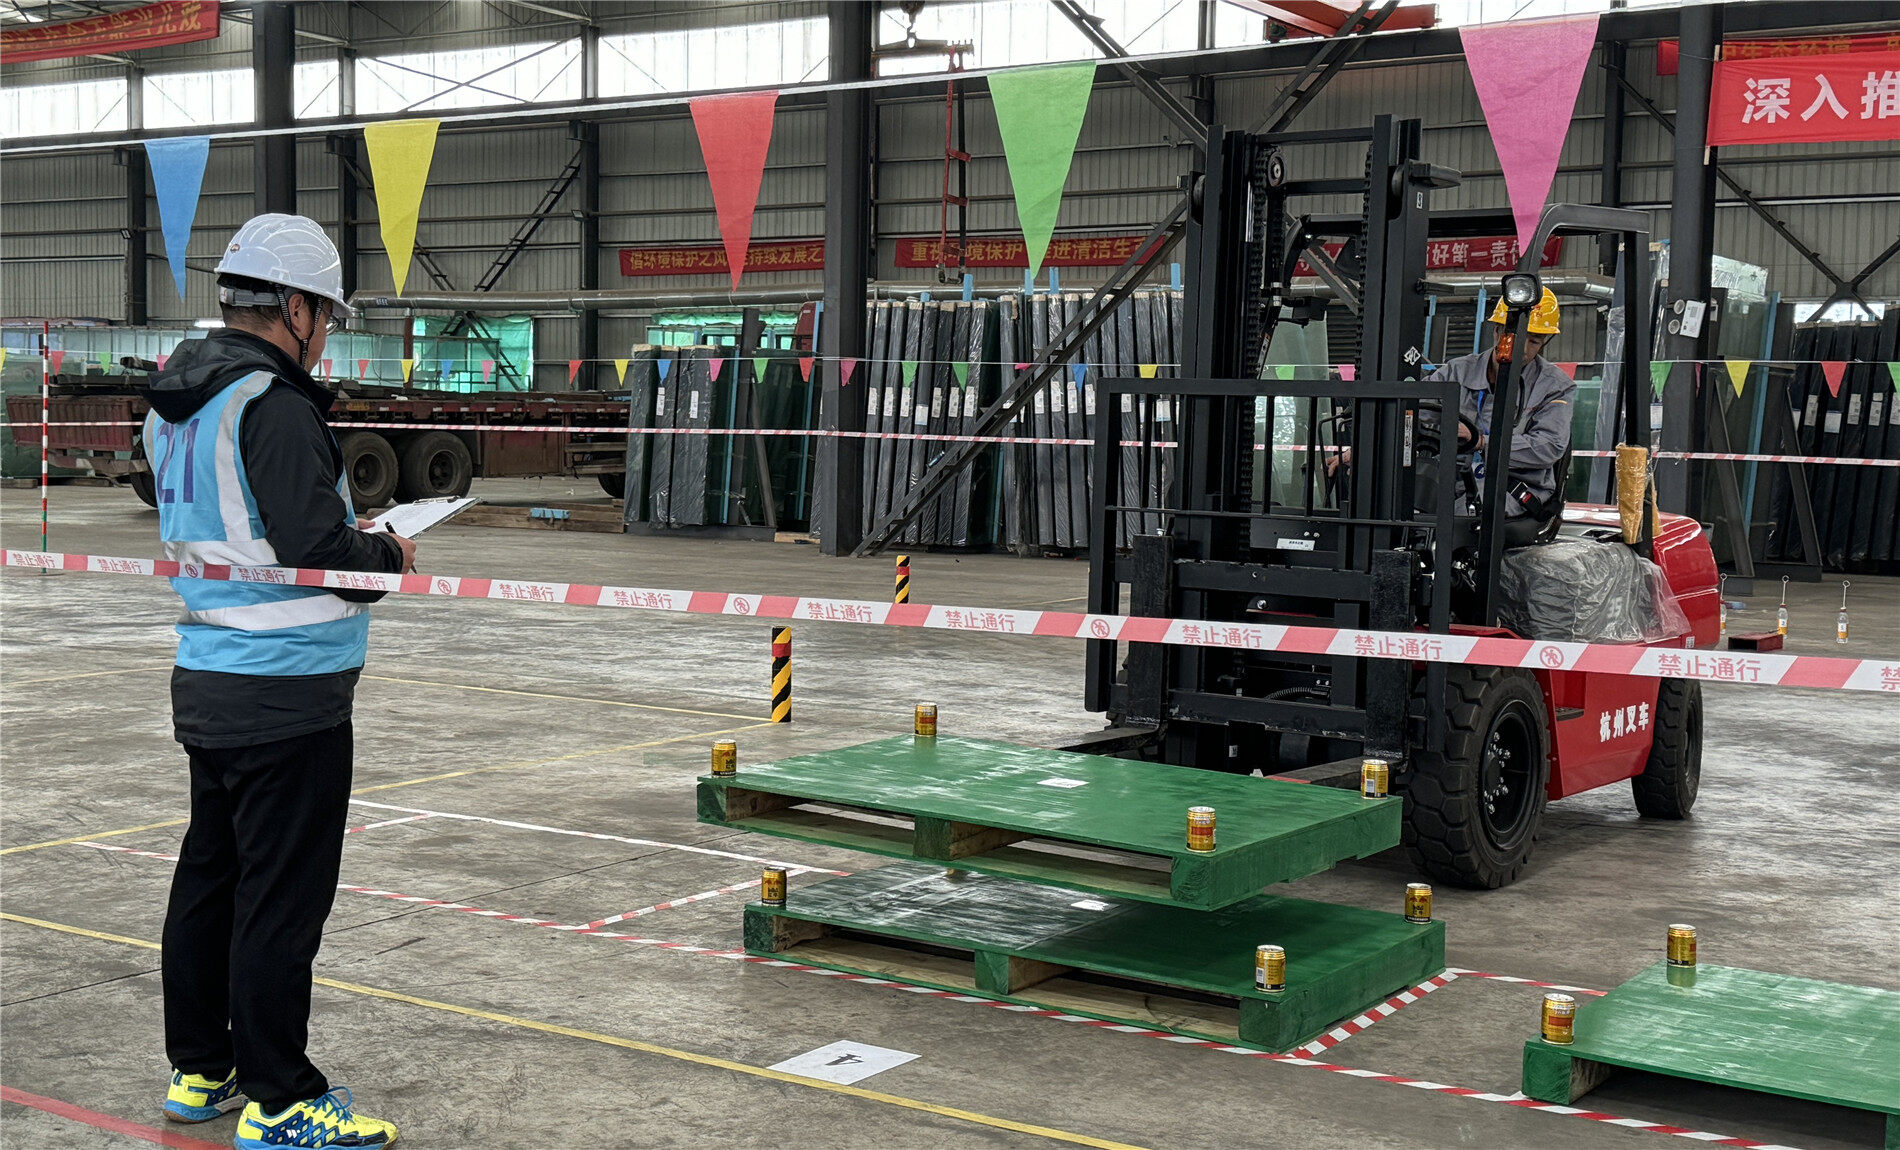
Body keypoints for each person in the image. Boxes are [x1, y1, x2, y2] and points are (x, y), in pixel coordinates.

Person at [145, 213, 414, 1148]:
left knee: (211, 880)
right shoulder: (273, 402)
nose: (326, 333)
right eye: (326, 316)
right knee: (279, 902)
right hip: (288, 691)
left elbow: (247, 535)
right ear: (294, 308)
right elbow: (318, 553)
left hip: (209, 672)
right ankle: (282, 1098)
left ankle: (201, 1069)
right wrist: (386, 553)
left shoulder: (177, 402)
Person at [1427, 286, 1575, 547]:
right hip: (1453, 477)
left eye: (1534, 341)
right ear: (1497, 331)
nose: (1523, 349)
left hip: (1513, 486)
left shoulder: (1555, 386)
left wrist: (1481, 442)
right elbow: (1413, 412)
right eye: (1514, 336)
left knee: (1455, 520)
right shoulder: (1456, 372)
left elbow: (1549, 446)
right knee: (1399, 497)